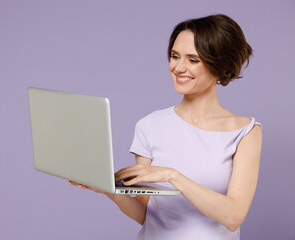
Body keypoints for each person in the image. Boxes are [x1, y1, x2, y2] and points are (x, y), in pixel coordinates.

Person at [69, 14, 262, 239]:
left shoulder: (245, 132)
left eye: (193, 60)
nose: (178, 67)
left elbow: (233, 217)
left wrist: (172, 176)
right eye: (174, 56)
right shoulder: (149, 125)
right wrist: (111, 191)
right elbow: (147, 215)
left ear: (219, 66)